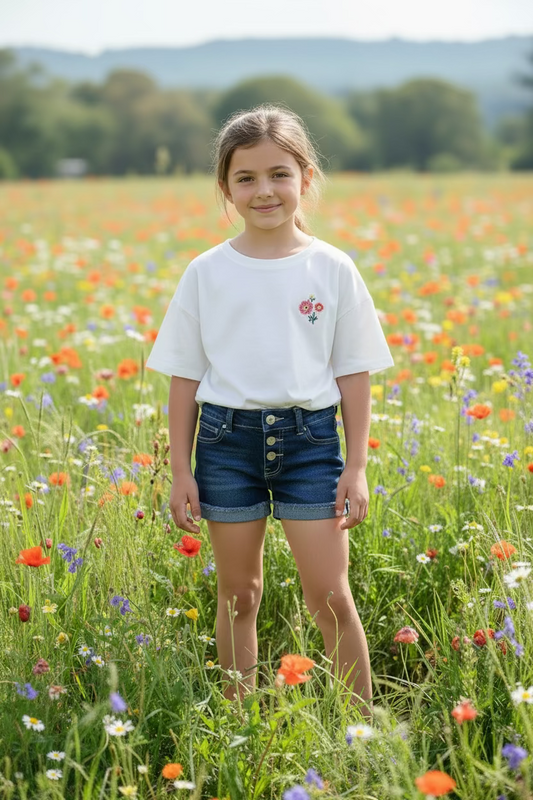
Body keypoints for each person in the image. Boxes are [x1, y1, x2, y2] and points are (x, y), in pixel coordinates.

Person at [145, 103, 394, 718]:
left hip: (310, 442)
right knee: (239, 595)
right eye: (246, 178)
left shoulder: (332, 268)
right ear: (225, 188)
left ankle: (362, 729)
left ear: (305, 177)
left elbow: (353, 373)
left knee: (330, 595)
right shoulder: (206, 272)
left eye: (279, 174)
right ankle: (239, 724)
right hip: (227, 443)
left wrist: (355, 466)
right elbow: (185, 378)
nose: (264, 191)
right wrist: (182, 470)